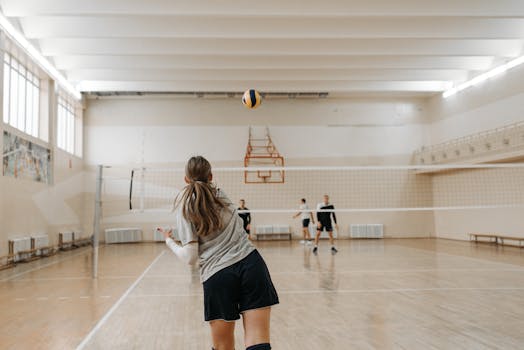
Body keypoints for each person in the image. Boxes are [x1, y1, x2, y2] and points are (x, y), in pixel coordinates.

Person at [159, 156, 278, 350]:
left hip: (218, 274)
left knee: (223, 346)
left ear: (185, 179)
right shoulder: (222, 196)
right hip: (252, 265)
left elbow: (190, 257)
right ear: (211, 176)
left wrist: (169, 241)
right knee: (258, 341)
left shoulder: (186, 207)